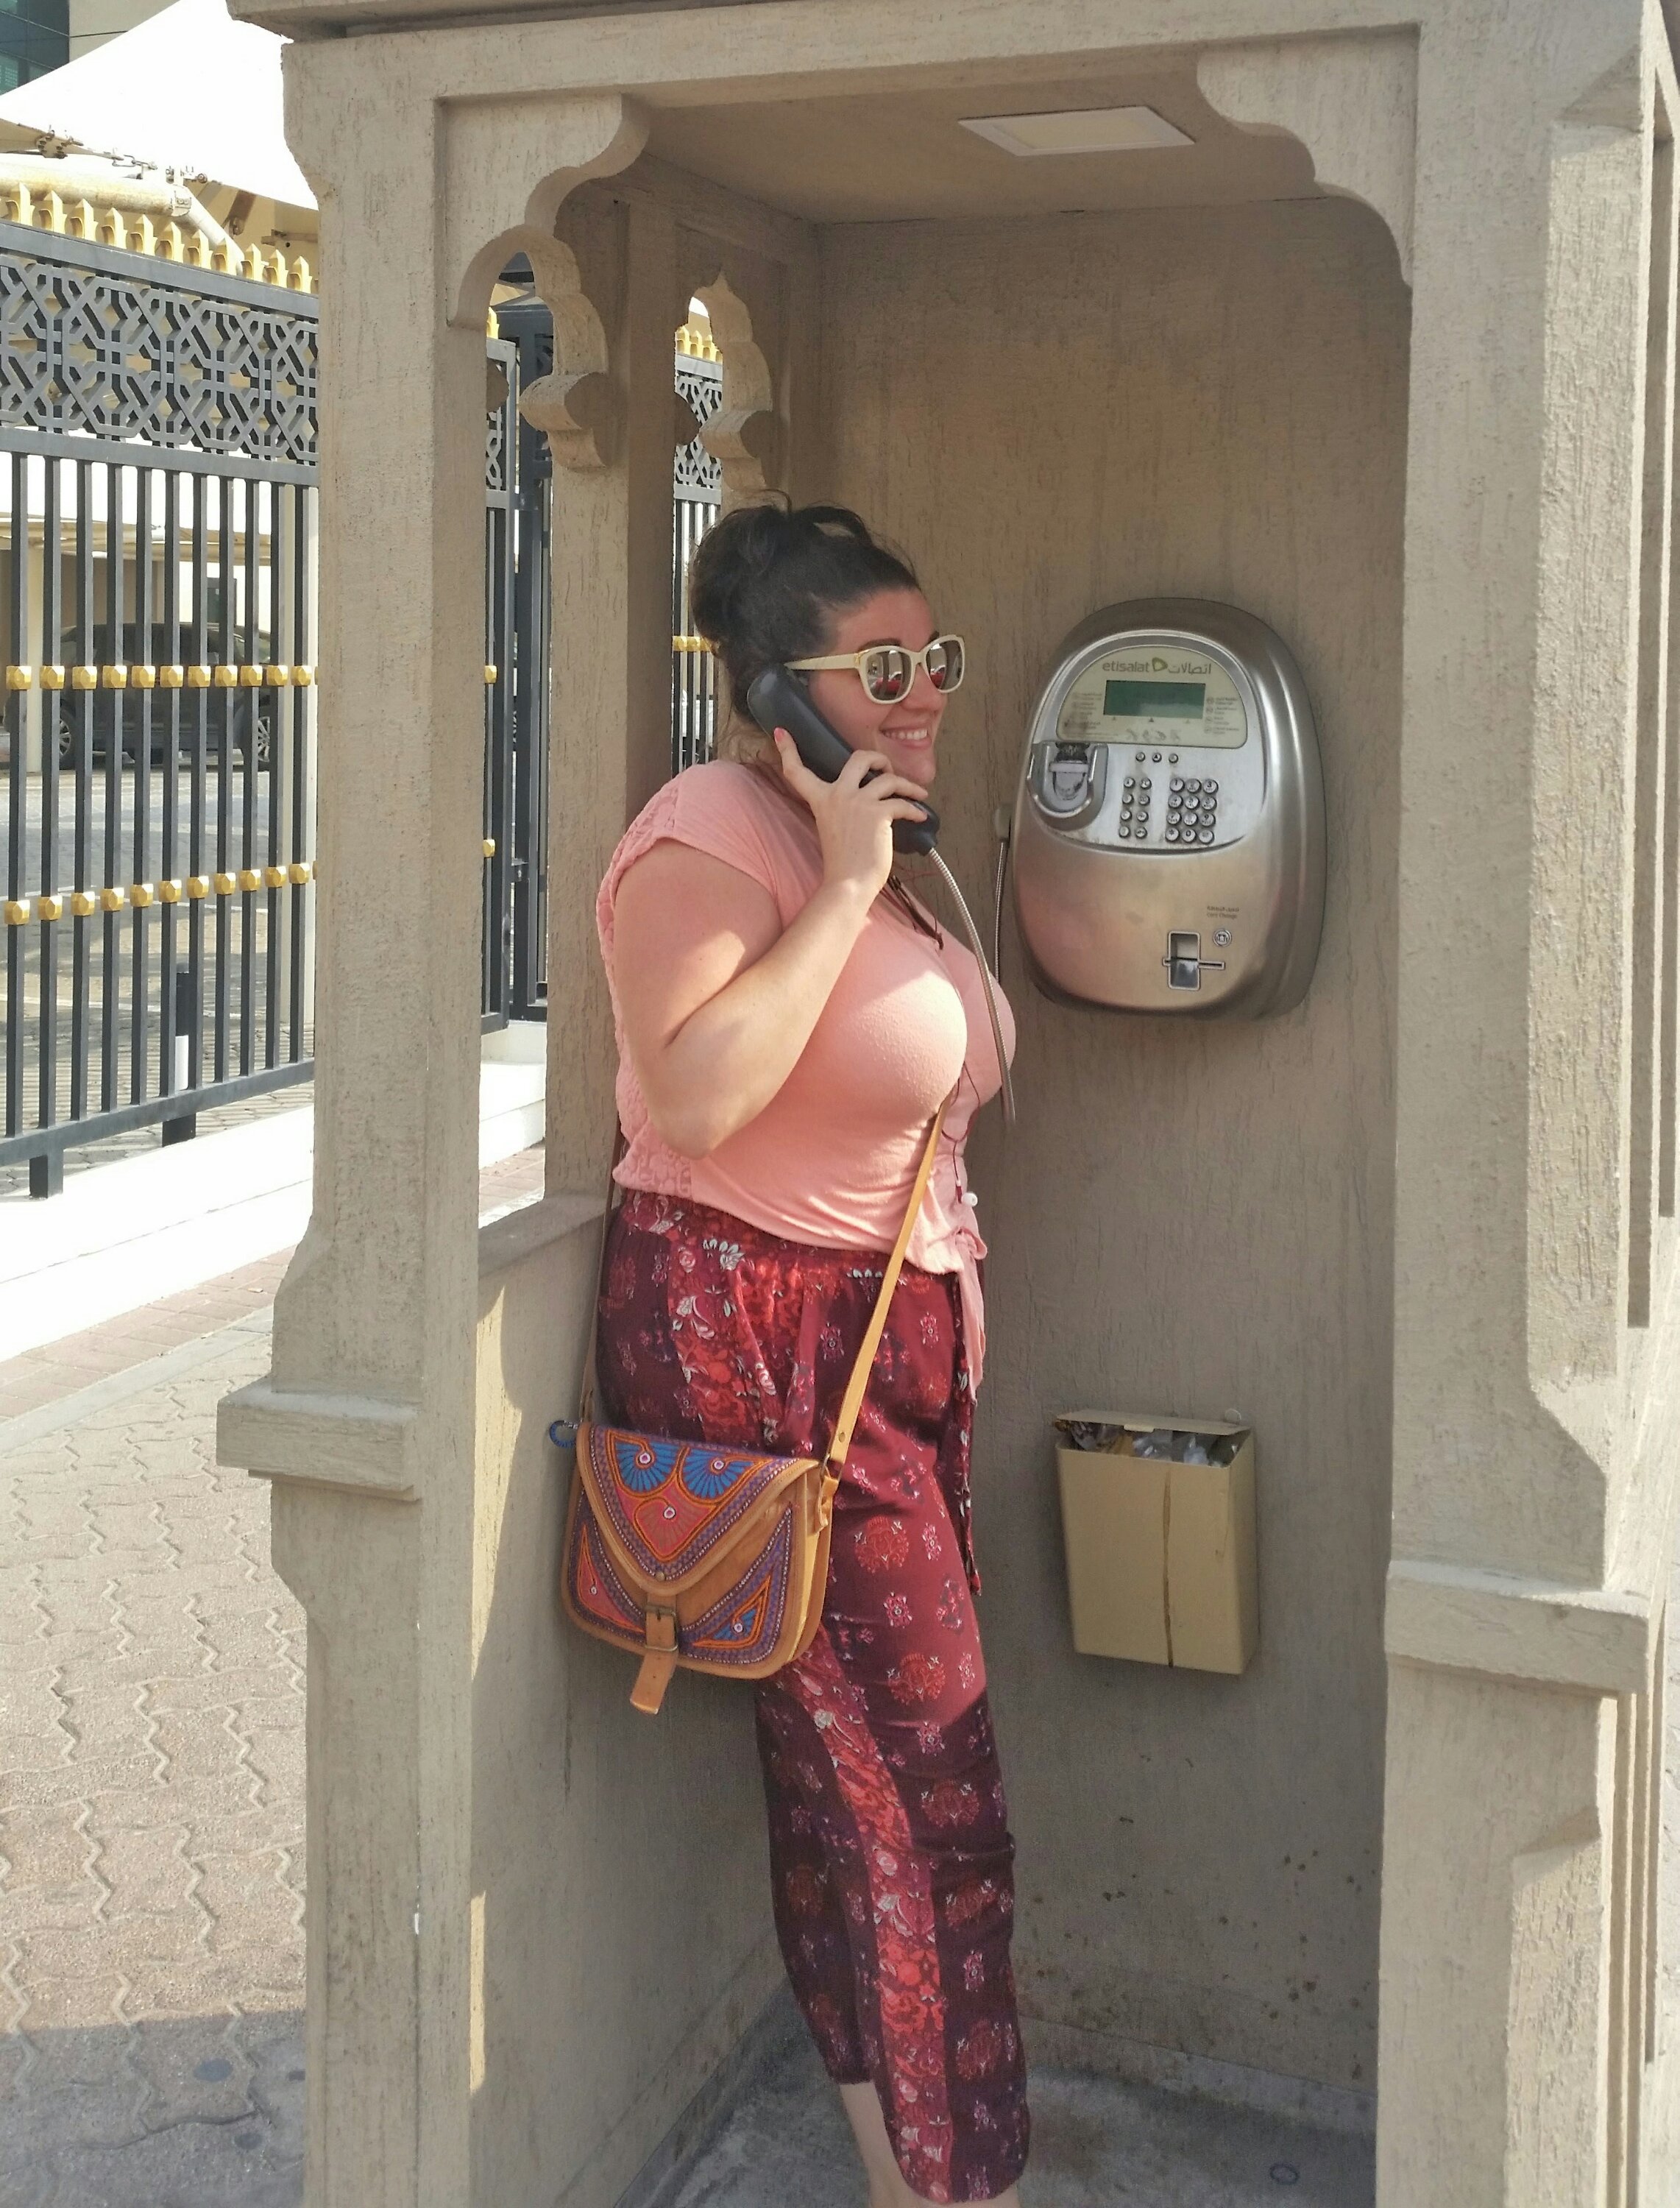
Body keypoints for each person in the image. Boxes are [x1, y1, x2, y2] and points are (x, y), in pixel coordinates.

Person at [594, 500, 1027, 2208]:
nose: (925, 696)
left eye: (934, 660)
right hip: (778, 1369)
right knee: (928, 1806)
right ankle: (956, 2185)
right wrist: (843, 887)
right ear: (776, 691)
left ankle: (903, 2167)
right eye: (881, 668)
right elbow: (695, 1098)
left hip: (881, 1372)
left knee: (859, 1797)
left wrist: (868, 872)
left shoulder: (876, 847)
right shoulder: (712, 835)